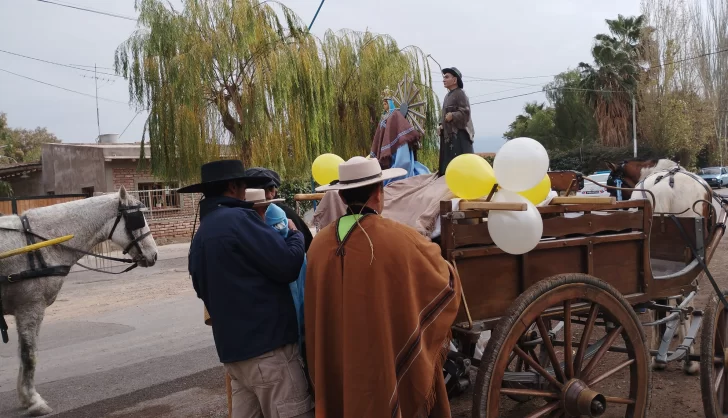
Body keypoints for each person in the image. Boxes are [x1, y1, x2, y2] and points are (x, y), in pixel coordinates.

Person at [305, 156, 462, 418]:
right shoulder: (399, 237)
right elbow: (443, 278)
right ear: (379, 193)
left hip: (336, 354)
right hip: (383, 353)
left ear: (342, 197)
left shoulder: (318, 245)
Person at [182, 160, 313, 418]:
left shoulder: (202, 233)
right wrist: (296, 235)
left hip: (234, 356)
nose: (246, 193)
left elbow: (202, 290)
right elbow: (287, 265)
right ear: (232, 186)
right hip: (269, 353)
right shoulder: (239, 220)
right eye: (244, 186)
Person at [245, 167, 314, 251]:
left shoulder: (287, 214)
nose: (269, 195)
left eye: (271, 189)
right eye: (262, 190)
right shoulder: (237, 218)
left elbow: (309, 248)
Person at [370, 91, 430, 185]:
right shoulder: (384, 116)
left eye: (385, 104)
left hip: (398, 144)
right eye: (383, 104)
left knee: (401, 161)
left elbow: (401, 127)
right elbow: (380, 134)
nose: (384, 106)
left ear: (390, 103)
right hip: (388, 144)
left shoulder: (395, 115)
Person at [438, 67, 475, 176]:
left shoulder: (460, 94)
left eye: (446, 77)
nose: (443, 79)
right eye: (443, 77)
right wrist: (441, 125)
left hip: (459, 135)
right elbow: (444, 114)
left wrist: (453, 116)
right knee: (449, 163)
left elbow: (465, 112)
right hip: (448, 136)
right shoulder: (447, 96)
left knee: (461, 165)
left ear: (455, 80)